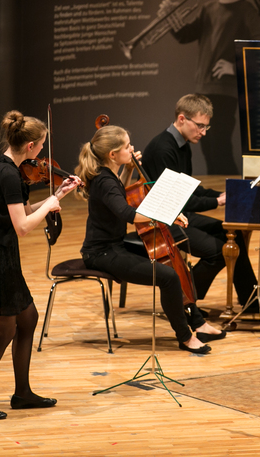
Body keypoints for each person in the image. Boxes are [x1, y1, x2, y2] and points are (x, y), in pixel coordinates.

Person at [0, 110, 81, 420]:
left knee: (28, 319)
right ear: (29, 145)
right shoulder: (8, 175)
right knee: (4, 331)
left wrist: (57, 195)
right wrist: (50, 205)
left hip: (2, 253)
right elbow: (23, 227)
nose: (41, 155)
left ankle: (22, 393)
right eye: (40, 148)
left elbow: (24, 211)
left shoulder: (11, 167)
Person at [75, 123, 226, 354]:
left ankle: (199, 323)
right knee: (168, 276)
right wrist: (168, 214)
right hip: (101, 253)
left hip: (115, 244)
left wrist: (128, 169)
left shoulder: (107, 174)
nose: (132, 149)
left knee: (175, 261)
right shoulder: (104, 181)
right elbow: (128, 214)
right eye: (127, 147)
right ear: (113, 154)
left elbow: (120, 192)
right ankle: (185, 338)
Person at [159, 0, 260, 175]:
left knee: (219, 143)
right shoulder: (208, 8)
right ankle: (221, 193)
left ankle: (230, 191)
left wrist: (235, 66)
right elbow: (185, 35)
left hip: (225, 90)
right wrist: (170, 17)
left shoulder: (246, 9)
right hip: (203, 90)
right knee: (208, 146)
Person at [143, 94, 259, 309]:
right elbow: (176, 201)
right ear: (181, 119)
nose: (204, 132)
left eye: (206, 127)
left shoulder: (183, 144)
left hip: (178, 215)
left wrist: (223, 194)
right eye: (200, 126)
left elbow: (189, 187)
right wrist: (216, 202)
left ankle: (251, 301)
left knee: (233, 235)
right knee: (218, 252)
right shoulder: (163, 149)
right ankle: (182, 301)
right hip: (163, 221)